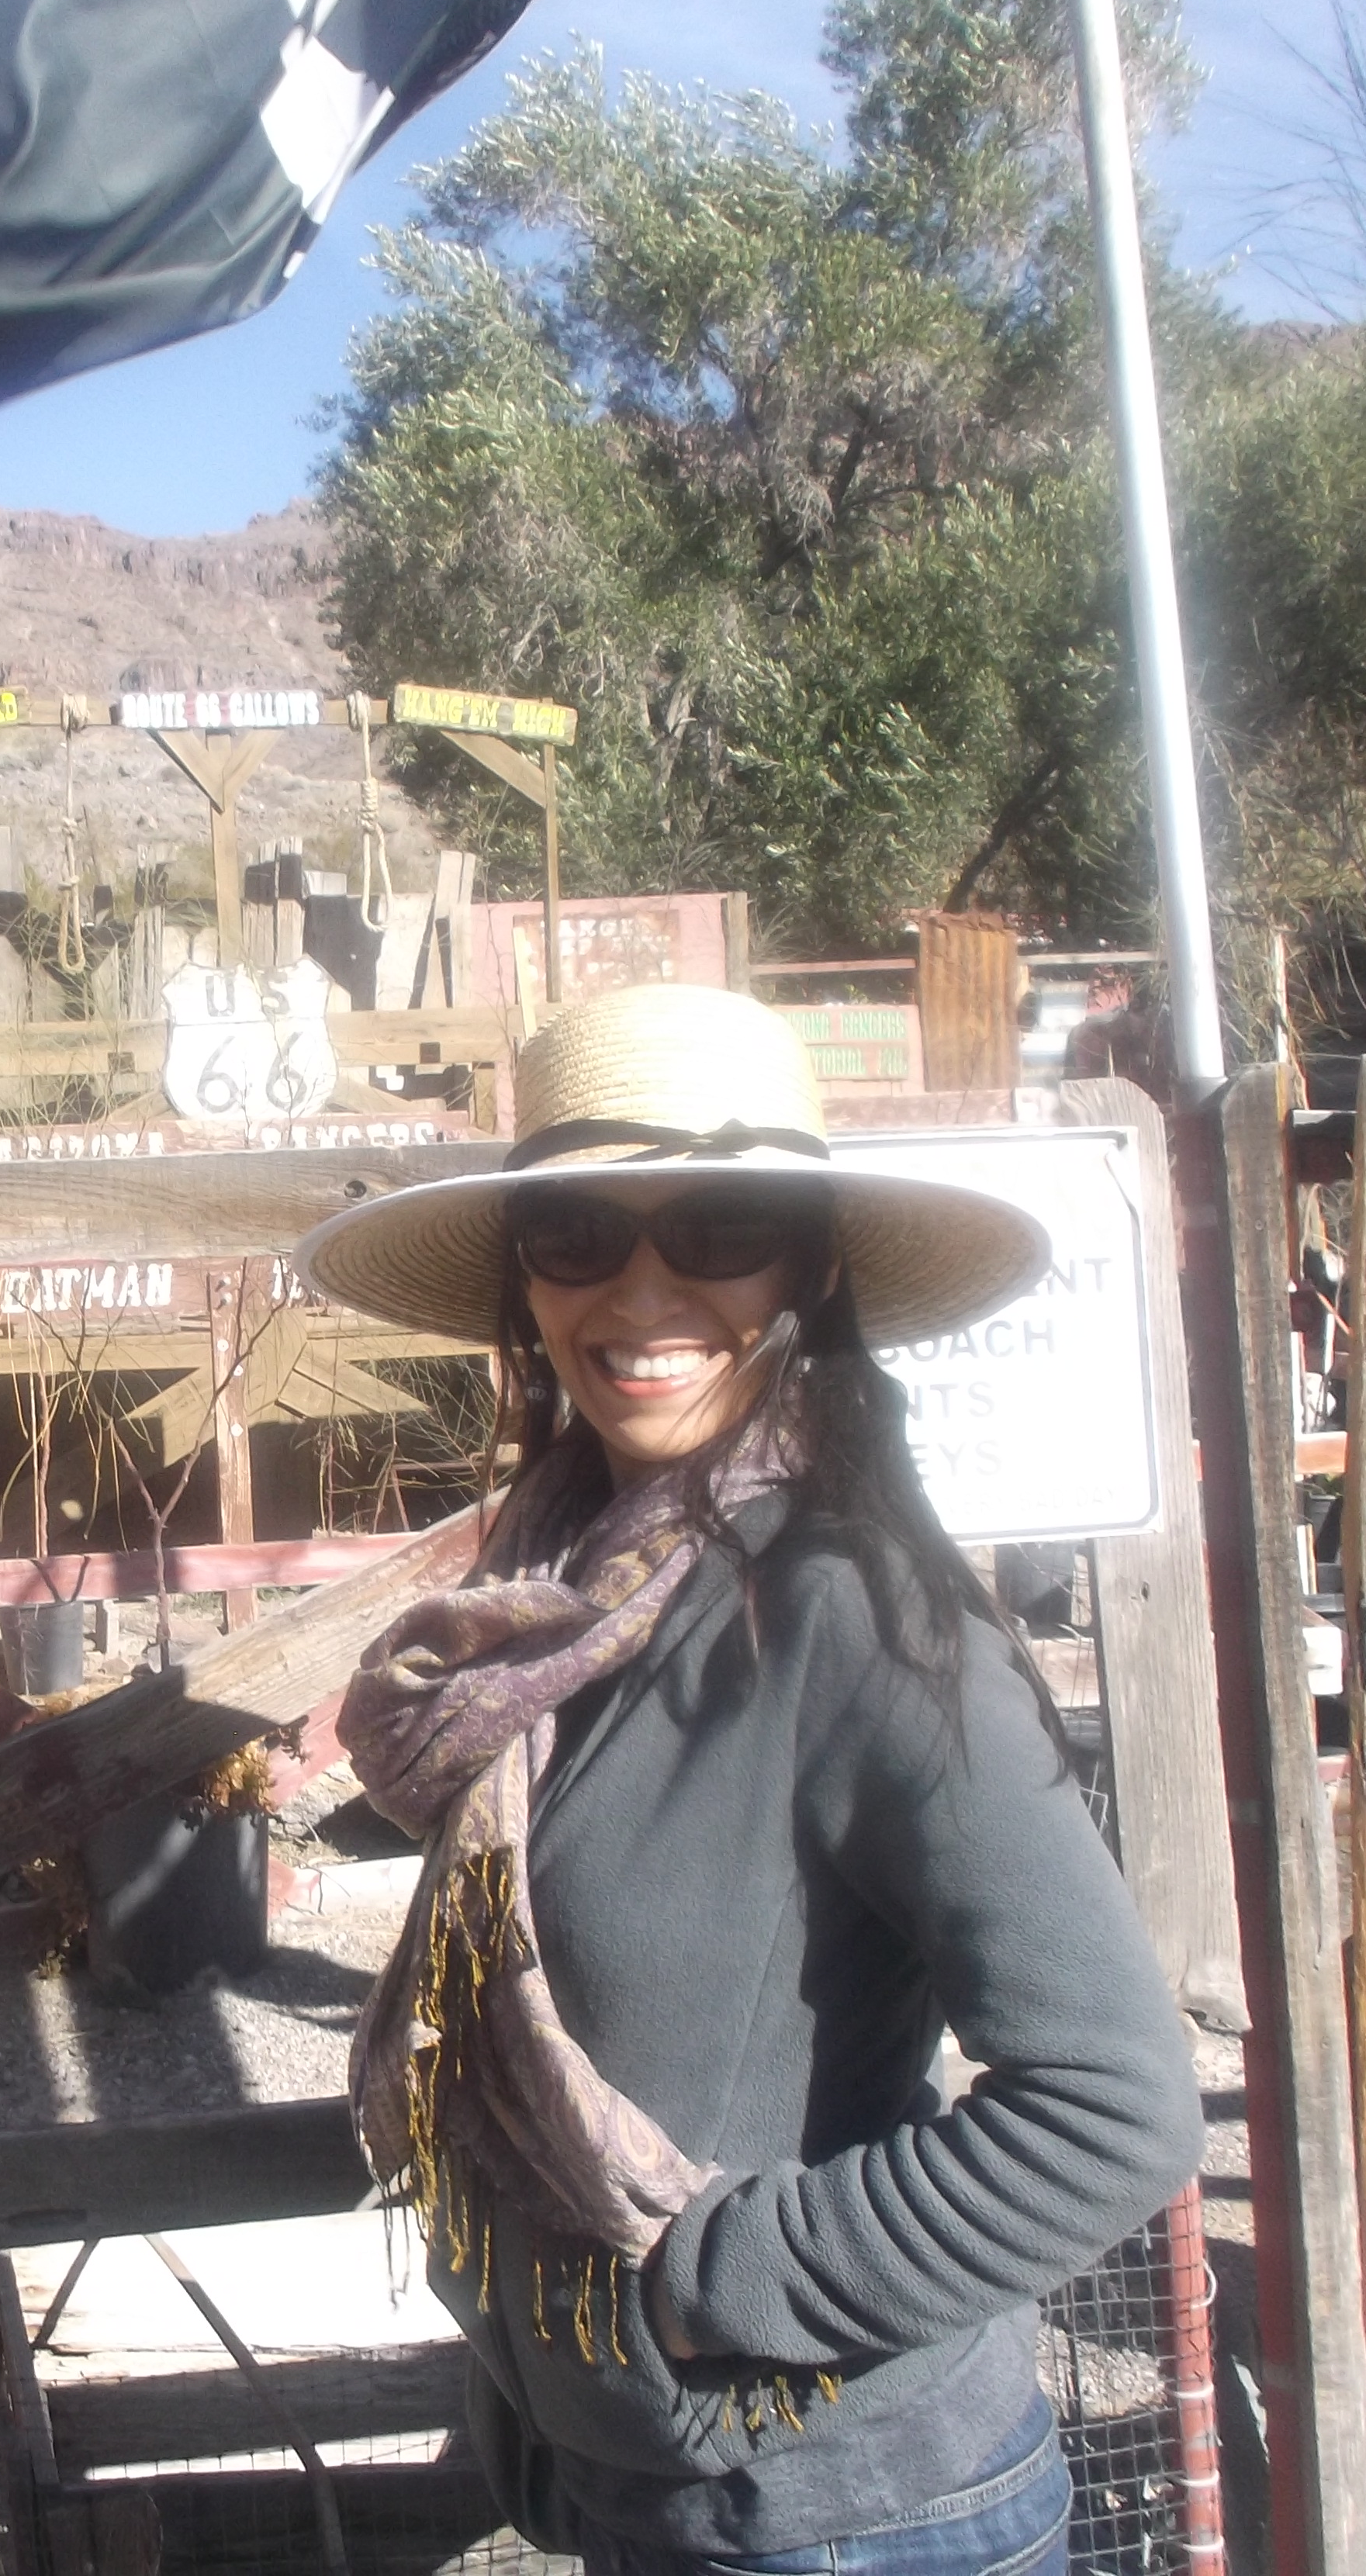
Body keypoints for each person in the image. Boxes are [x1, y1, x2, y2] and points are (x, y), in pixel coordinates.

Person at [292, 984, 1202, 2576]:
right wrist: (549, 2397)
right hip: (666, 2499)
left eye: (721, 1229)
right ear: (527, 1283)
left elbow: (1114, 2109)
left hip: (855, 2517)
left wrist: (704, 2286)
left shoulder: (849, 1613)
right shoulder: (573, 1601)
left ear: (811, 1269)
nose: (642, 1292)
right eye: (577, 1234)